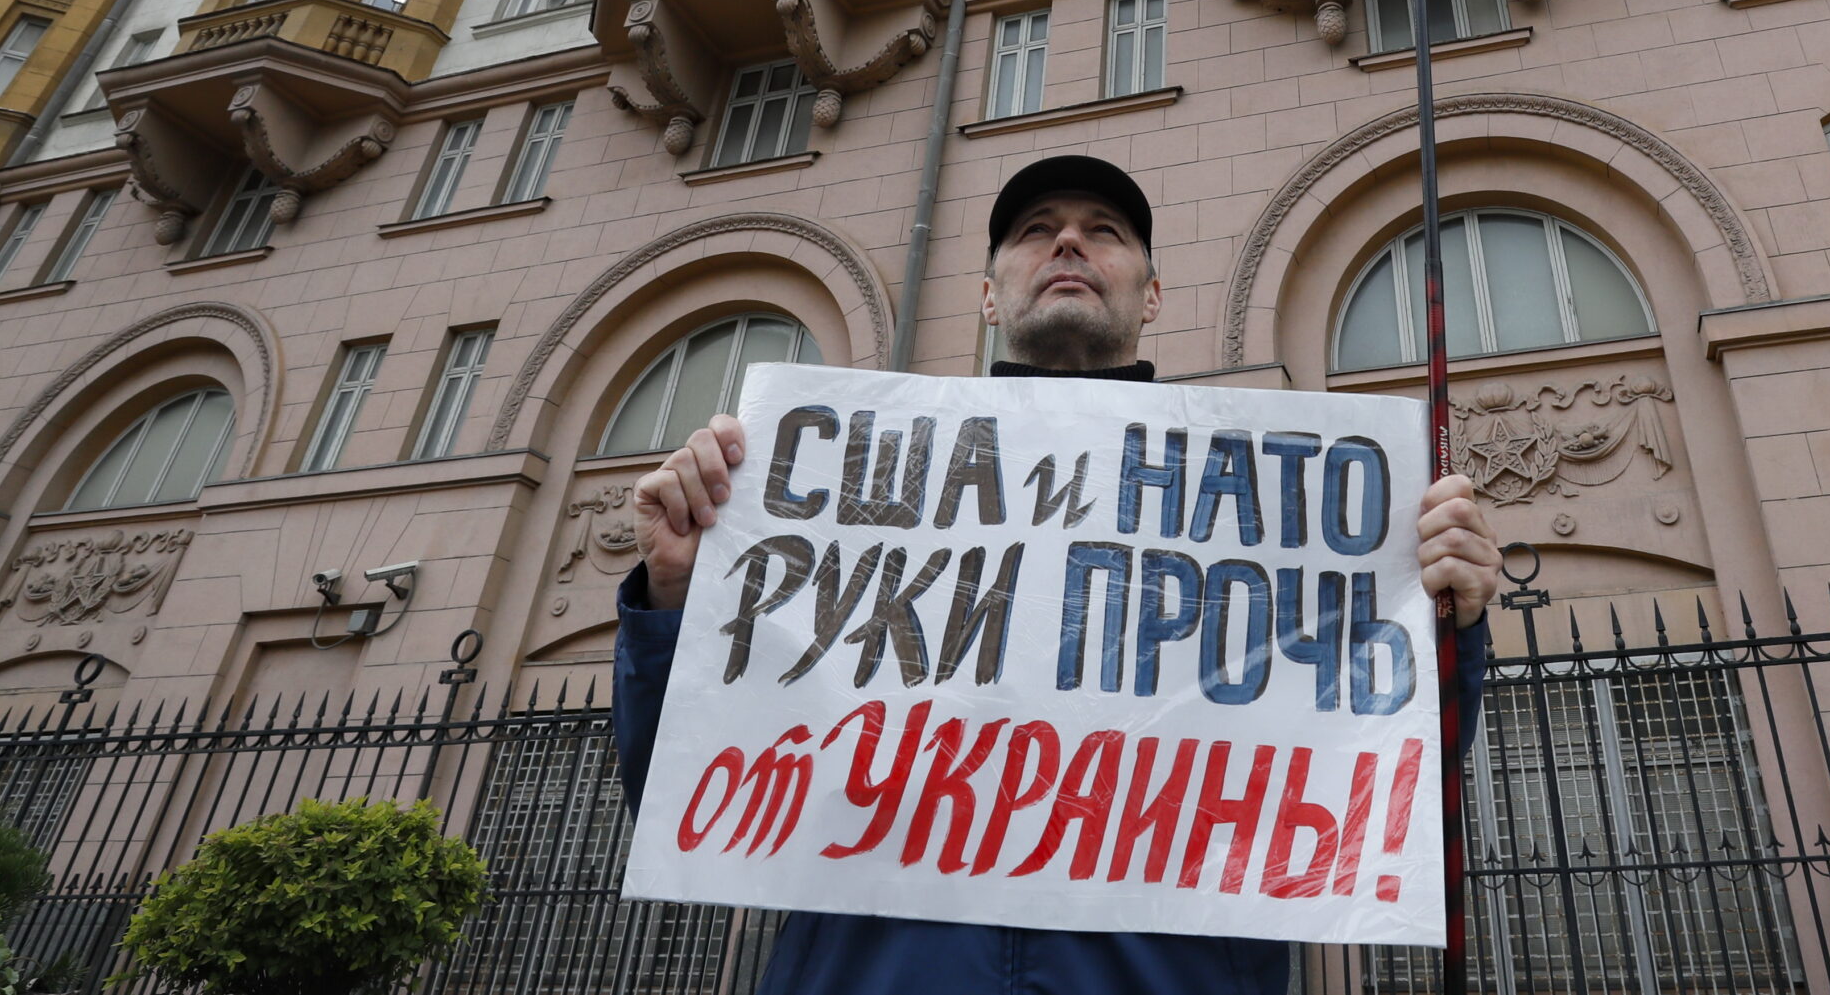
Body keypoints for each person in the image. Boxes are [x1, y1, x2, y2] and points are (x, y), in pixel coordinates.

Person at [612, 154, 1501, 995]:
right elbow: (680, 782)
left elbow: (1375, 774)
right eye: (1036, 229)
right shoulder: (848, 487)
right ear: (988, 294)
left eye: (1104, 230)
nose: (1069, 241)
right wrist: (675, 597)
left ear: (1152, 294)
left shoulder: (1270, 508)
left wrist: (1444, 621)